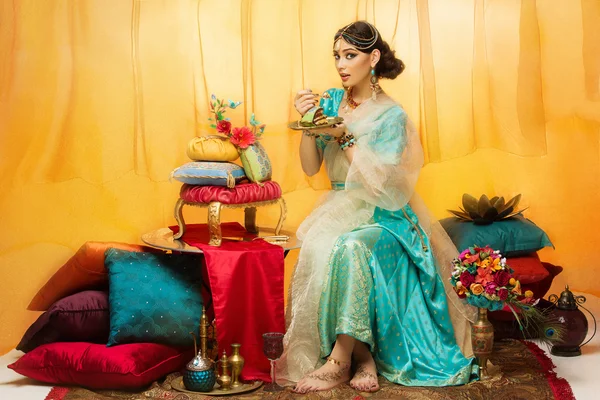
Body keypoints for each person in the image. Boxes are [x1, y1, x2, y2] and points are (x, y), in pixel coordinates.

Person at [277, 21, 479, 394]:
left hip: (382, 212)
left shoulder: (391, 116)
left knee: (352, 247)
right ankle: (363, 356)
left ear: (373, 59)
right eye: (337, 56)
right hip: (338, 204)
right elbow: (310, 168)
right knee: (322, 248)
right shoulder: (329, 103)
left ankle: (339, 361)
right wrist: (310, 124)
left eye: (350, 55)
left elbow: (380, 186)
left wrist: (346, 135)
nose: (341, 64)